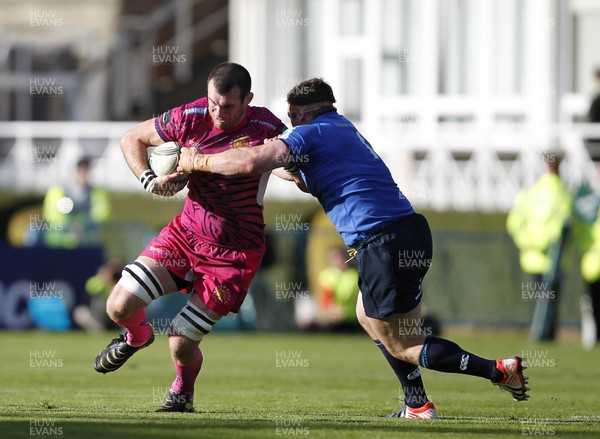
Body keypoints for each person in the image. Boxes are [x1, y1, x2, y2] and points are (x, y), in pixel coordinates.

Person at [178, 77, 530, 418]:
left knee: (404, 345)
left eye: (291, 117)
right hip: (406, 231)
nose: (289, 125)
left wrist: (198, 160)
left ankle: (499, 370)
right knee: (369, 317)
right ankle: (418, 404)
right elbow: (295, 175)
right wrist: (261, 164)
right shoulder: (340, 128)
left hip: (383, 241)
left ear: (303, 112)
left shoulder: (310, 133)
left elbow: (254, 161)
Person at [93, 62, 286, 412]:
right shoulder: (190, 116)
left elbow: (285, 169)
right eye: (213, 103)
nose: (218, 112)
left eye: (227, 106)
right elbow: (131, 138)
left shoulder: (267, 126)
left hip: (234, 254)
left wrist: (284, 161)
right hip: (185, 235)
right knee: (118, 306)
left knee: (181, 341)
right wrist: (150, 180)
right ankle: (138, 336)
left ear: (248, 100)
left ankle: (182, 392)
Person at [506, 156, 572, 340]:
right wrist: (544, 241)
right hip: (552, 258)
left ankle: (542, 334)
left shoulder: (530, 193)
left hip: (531, 257)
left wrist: (526, 241)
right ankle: (544, 335)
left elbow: (514, 222)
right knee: (548, 302)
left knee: (541, 300)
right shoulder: (561, 193)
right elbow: (562, 225)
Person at [42, 156, 111, 248]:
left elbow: (102, 215)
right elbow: (52, 215)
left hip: (87, 244)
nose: (83, 174)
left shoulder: (97, 192)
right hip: (58, 244)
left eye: (86, 170)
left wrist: (83, 226)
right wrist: (70, 227)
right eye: (80, 170)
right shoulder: (57, 190)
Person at [316, 246, 361, 332]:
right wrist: (330, 312)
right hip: (334, 319)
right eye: (336, 258)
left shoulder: (355, 275)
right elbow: (326, 299)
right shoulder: (327, 275)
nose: (340, 260)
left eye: (342, 257)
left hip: (354, 319)